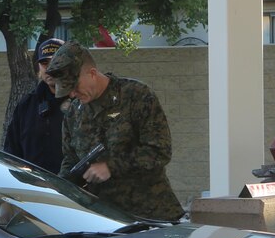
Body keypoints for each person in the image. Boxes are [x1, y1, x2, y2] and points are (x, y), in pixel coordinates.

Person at [45, 40, 184, 221]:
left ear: (92, 74)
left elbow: (159, 151)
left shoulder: (136, 96)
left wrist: (111, 166)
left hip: (149, 215)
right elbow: (70, 159)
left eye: (75, 87)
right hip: (104, 220)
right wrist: (59, 188)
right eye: (67, 90)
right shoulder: (74, 113)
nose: (72, 94)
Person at [2, 37, 65, 173]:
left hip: (73, 188)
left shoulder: (81, 101)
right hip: (34, 188)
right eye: (44, 63)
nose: (50, 69)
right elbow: (11, 151)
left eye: (55, 62)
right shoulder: (26, 105)